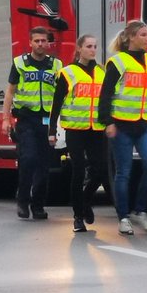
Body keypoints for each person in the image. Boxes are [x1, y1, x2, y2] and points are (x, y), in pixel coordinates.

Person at [98, 21, 147, 236]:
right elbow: (105, 94)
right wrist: (107, 122)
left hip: (144, 124)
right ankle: (123, 217)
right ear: (131, 37)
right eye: (143, 35)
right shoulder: (118, 62)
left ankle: (141, 211)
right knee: (123, 172)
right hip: (122, 125)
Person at [1, 26, 61, 220]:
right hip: (26, 119)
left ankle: (38, 205)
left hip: (47, 121)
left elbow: (62, 94)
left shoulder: (56, 65)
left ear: (48, 43)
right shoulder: (20, 63)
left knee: (45, 165)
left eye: (44, 41)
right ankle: (23, 199)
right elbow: (10, 91)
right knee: (28, 159)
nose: (41, 44)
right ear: (30, 43)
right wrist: (5, 118)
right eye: (37, 41)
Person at [49, 34, 105, 233]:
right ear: (79, 49)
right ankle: (78, 217)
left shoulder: (102, 72)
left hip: (97, 129)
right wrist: (52, 131)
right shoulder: (68, 73)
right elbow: (56, 104)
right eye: (89, 46)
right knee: (79, 170)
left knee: (101, 171)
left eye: (95, 46)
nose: (92, 50)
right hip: (75, 129)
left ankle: (85, 201)